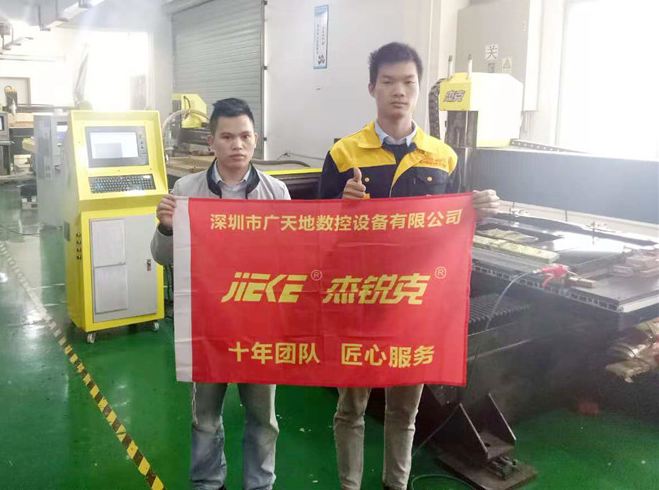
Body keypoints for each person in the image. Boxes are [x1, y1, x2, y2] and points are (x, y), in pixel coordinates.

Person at [319, 42, 500, 490]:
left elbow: (454, 229)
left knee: (404, 411)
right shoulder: (344, 154)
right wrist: (341, 204)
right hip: (359, 301)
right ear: (372, 88)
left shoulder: (443, 157)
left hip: (413, 303)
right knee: (351, 408)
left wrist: (479, 211)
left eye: (408, 82)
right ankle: (349, 485)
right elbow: (318, 232)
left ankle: (395, 485)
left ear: (418, 89)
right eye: (388, 81)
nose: (398, 91)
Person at [151, 98, 290, 490]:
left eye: (244, 136)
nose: (237, 145)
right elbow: (162, 257)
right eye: (227, 137)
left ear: (256, 139)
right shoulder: (186, 191)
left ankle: (259, 484)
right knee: (206, 419)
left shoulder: (276, 193)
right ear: (211, 142)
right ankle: (208, 482)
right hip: (206, 326)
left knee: (263, 419)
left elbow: (290, 259)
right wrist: (166, 227)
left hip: (258, 327)